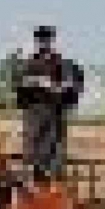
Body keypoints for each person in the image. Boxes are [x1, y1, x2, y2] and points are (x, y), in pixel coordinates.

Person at [14, 25, 84, 189]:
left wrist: (57, 87)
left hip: (54, 115)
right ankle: (33, 180)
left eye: (46, 39)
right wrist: (33, 83)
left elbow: (74, 85)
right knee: (32, 152)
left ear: (51, 41)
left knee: (54, 153)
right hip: (34, 115)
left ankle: (54, 183)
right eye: (40, 39)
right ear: (36, 41)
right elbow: (20, 91)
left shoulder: (61, 63)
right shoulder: (29, 64)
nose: (43, 43)